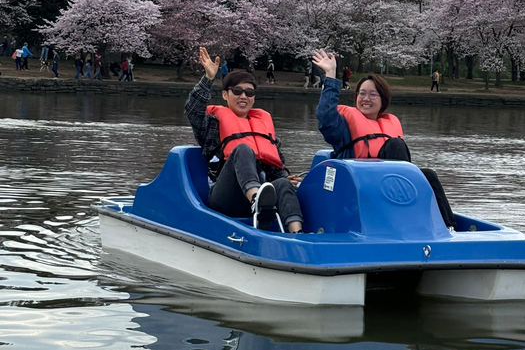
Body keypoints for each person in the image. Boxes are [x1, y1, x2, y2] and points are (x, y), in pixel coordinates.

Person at [312, 49, 457, 229]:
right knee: (396, 145)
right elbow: (326, 116)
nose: (366, 99)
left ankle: (449, 228)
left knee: (429, 175)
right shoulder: (343, 127)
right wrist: (331, 75)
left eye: (372, 94)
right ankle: (407, 216)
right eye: (361, 93)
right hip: (359, 188)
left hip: (390, 189)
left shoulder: (389, 125)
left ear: (383, 100)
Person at [185, 47, 304, 232]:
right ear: (225, 95)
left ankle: (297, 233)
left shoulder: (264, 129)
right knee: (242, 149)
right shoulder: (212, 125)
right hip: (225, 197)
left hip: (259, 197)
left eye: (249, 93)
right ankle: (257, 200)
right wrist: (208, 78)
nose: (243, 96)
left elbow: (276, 169)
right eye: (237, 91)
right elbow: (193, 110)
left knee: (282, 184)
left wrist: (285, 178)